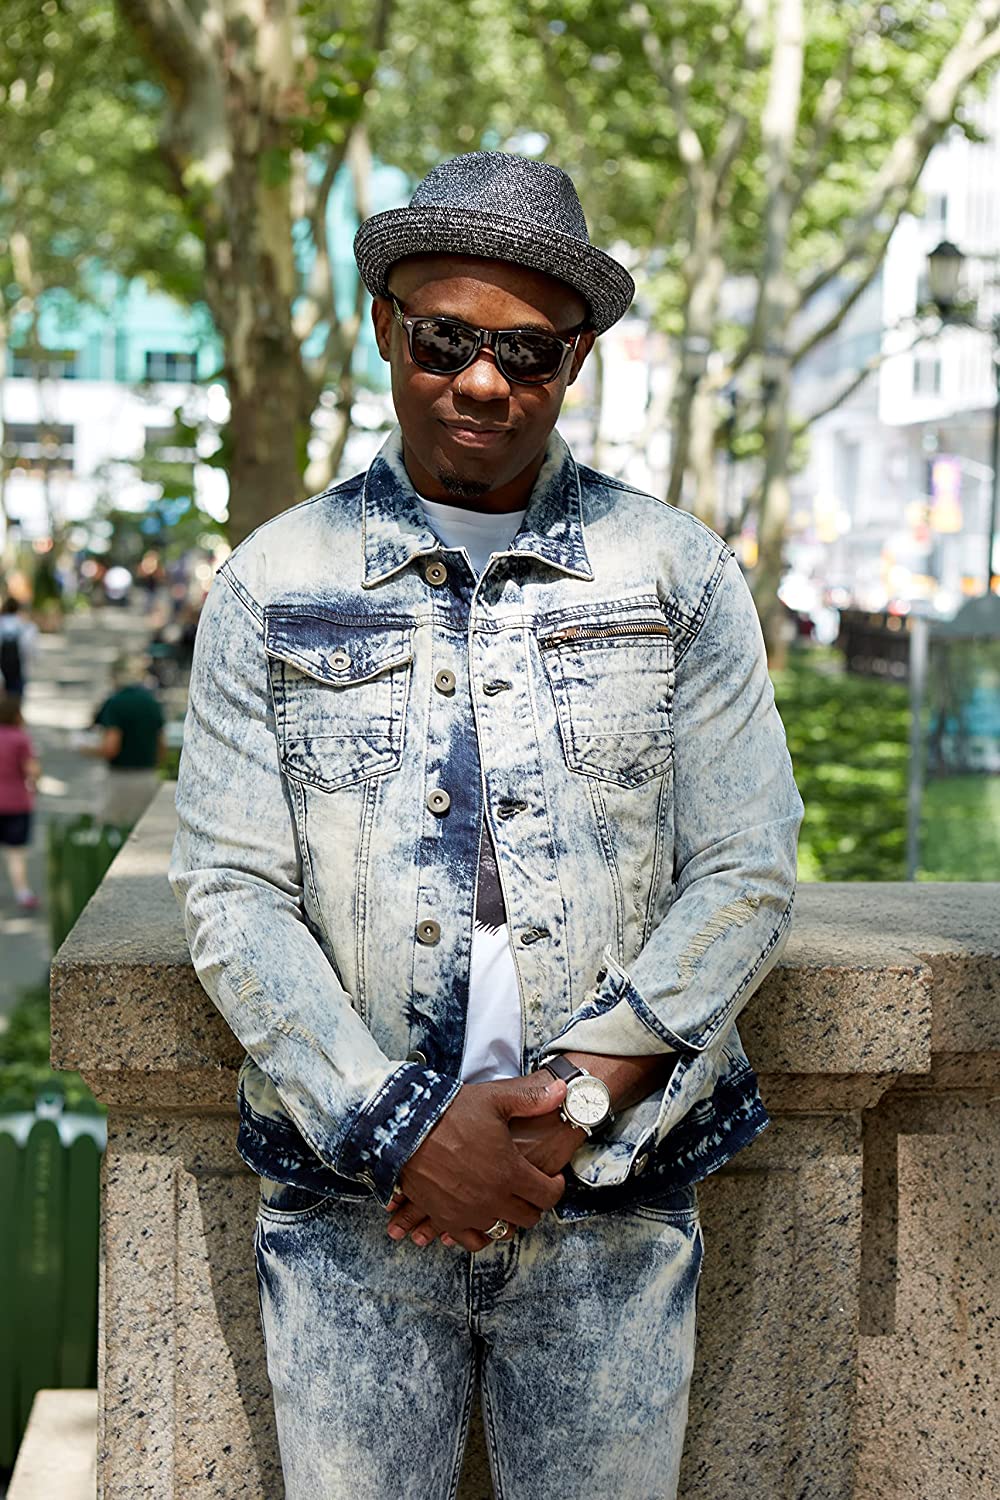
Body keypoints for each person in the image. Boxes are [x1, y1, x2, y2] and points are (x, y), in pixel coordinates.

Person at [170, 152, 804, 1499]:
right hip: (350, 1214)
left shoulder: (677, 573)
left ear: (574, 360)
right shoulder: (272, 582)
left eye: (527, 352)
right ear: (385, 328)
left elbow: (746, 867)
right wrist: (406, 1128)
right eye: (445, 339)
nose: (480, 380)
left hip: (610, 1200)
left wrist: (574, 1100)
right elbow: (230, 892)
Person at [87, 653, 165, 827]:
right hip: (147, 776)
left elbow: (111, 747)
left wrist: (86, 750)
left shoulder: (115, 702)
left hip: (119, 778)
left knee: (112, 830)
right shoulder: (152, 702)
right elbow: (162, 745)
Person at [0, 695, 41, 910]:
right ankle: (22, 892)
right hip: (16, 802)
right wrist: (35, 784)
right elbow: (32, 770)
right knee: (16, 852)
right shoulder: (20, 738)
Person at [0, 596, 39, 700]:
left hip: (2, 670)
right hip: (18, 669)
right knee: (16, 698)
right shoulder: (25, 625)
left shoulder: (1, 623)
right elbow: (29, 647)